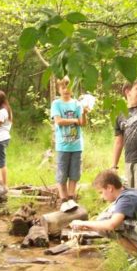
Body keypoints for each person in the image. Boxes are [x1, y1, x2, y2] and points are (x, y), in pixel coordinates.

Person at [71, 169, 137, 255]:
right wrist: (90, 226)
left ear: (110, 188)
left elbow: (111, 225)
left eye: (101, 192)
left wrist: (83, 223)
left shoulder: (126, 199)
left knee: (105, 227)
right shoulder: (127, 193)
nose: (101, 197)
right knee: (102, 222)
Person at [51, 76, 88, 210]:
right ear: (59, 89)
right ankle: (63, 199)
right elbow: (58, 121)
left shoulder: (77, 104)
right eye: (63, 87)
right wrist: (74, 121)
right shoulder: (56, 104)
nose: (66, 90)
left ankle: (71, 198)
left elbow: (83, 123)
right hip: (62, 146)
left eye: (69, 87)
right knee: (62, 174)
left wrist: (84, 113)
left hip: (76, 145)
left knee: (74, 173)